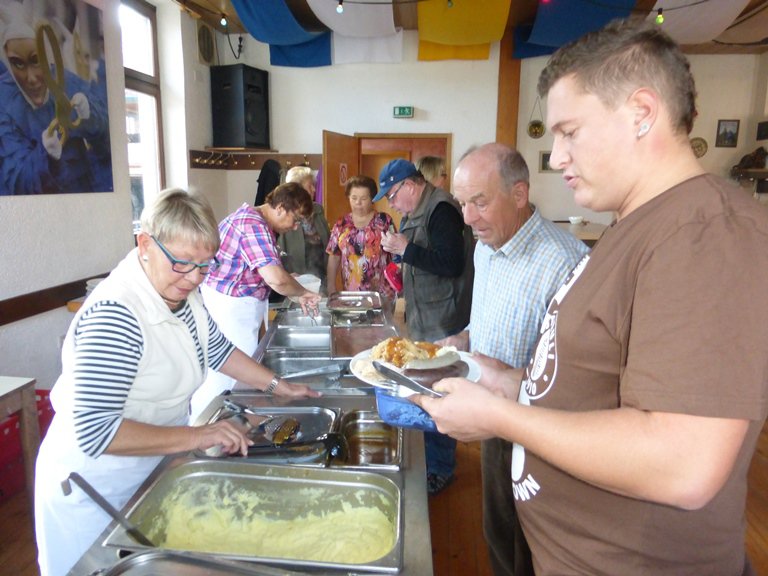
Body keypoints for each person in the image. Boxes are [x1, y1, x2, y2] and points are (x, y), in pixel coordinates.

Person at [412, 19, 768, 576]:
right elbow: (591, 385)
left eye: (569, 131)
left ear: (641, 113)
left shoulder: (706, 232)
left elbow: (684, 464)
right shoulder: (634, 225)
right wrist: (508, 383)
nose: (555, 158)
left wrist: (502, 416)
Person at [34, 188, 320, 576]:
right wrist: (198, 436)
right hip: (94, 487)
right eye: (183, 263)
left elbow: (217, 349)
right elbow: (96, 431)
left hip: (147, 470)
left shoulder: (178, 291)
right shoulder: (116, 315)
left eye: (204, 265)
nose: (193, 278)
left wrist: (279, 386)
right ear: (145, 244)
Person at [440, 142, 588, 576]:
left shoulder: (567, 262)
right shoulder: (485, 246)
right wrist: (464, 338)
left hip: (543, 431)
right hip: (491, 414)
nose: (468, 218)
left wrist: (509, 379)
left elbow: (578, 376)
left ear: (520, 194)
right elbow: (485, 318)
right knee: (498, 530)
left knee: (534, 545)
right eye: (462, 203)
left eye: (480, 202)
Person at [377, 158, 474, 494]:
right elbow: (423, 258)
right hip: (423, 314)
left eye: (391, 195)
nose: (391, 204)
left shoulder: (441, 209)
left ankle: (441, 468)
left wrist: (408, 249)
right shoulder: (415, 211)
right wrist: (400, 260)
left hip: (443, 319)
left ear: (410, 185)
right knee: (427, 389)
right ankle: (432, 462)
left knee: (441, 394)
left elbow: (451, 263)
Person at [191, 183, 323, 419]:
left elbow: (263, 270)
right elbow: (276, 280)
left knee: (241, 368)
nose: (295, 228)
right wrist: (302, 292)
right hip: (230, 309)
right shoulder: (252, 224)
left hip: (240, 305)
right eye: (295, 220)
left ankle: (227, 422)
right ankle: (209, 425)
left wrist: (288, 278)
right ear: (280, 207)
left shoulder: (257, 222)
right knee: (230, 373)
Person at [0, 4, 109, 195]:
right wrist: (46, 154)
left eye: (36, 60)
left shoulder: (66, 81)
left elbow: (107, 140)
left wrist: (90, 114)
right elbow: (14, 178)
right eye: (18, 63)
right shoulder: (4, 101)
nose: (31, 78)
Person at [326, 175, 395, 298]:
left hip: (382, 294)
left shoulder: (384, 221)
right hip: (351, 294)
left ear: (372, 199)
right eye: (354, 198)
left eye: (363, 198)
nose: (358, 203)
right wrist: (330, 286)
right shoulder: (341, 224)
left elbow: (396, 255)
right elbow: (334, 256)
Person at [278, 165, 330, 290]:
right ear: (297, 189)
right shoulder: (283, 214)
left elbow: (328, 244)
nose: (313, 190)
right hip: (294, 280)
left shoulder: (318, 210)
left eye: (314, 185)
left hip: (320, 278)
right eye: (309, 186)